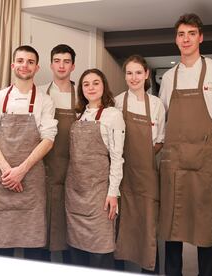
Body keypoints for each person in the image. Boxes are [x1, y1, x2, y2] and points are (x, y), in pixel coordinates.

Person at [158, 13, 212, 276]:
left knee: (205, 224)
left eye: (191, 33)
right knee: (171, 226)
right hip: (174, 161)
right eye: (181, 34)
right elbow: (163, 117)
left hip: (204, 159)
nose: (186, 39)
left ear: (200, 37)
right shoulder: (169, 77)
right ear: (176, 39)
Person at [0, 45, 57, 260]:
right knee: (3, 246)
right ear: (13, 65)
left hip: (31, 180)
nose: (25, 65)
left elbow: (48, 140)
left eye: (30, 62)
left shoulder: (45, 100)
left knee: (34, 247)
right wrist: (8, 171)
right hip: (4, 180)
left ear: (37, 67)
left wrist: (21, 171)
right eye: (21, 61)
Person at [65, 68, 125, 269]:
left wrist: (113, 193)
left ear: (104, 86)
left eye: (96, 83)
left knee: (101, 251)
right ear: (81, 89)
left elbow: (117, 158)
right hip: (74, 194)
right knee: (77, 252)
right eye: (86, 84)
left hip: (100, 194)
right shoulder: (79, 115)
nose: (91, 87)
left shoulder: (112, 115)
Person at [114, 55, 165, 274]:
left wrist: (142, 157)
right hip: (121, 175)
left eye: (138, 72)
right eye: (129, 73)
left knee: (148, 226)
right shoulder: (116, 102)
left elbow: (160, 140)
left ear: (146, 75)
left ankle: (149, 270)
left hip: (146, 176)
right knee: (119, 227)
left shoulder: (156, 105)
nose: (133, 77)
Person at [39, 44, 77, 263]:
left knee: (70, 228)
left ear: (73, 65)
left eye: (66, 61)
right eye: (57, 61)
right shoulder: (41, 93)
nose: (61, 65)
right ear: (51, 64)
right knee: (44, 228)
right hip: (45, 169)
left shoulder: (82, 95)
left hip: (74, 171)